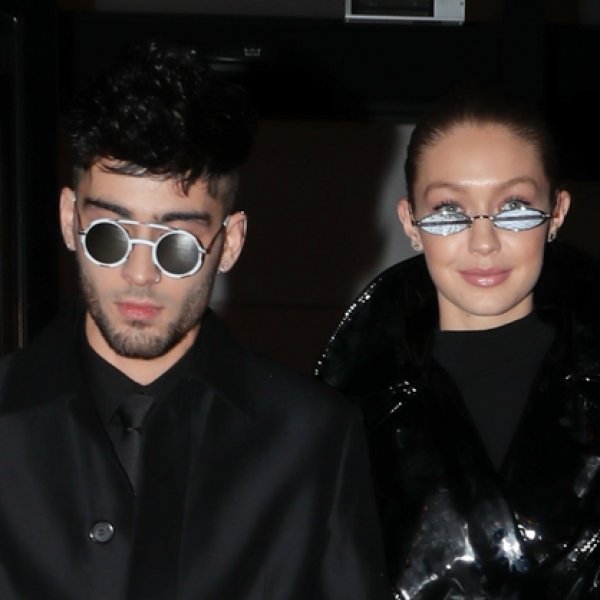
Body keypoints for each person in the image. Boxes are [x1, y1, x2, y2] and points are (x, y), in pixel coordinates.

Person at [0, 41, 389, 599]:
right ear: (69, 220)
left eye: (176, 245)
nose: (139, 274)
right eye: (110, 237)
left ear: (229, 242)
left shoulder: (314, 439)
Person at [316, 86, 600, 598]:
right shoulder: (339, 415)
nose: (483, 241)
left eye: (514, 207)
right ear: (411, 222)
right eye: (450, 210)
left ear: (556, 213)